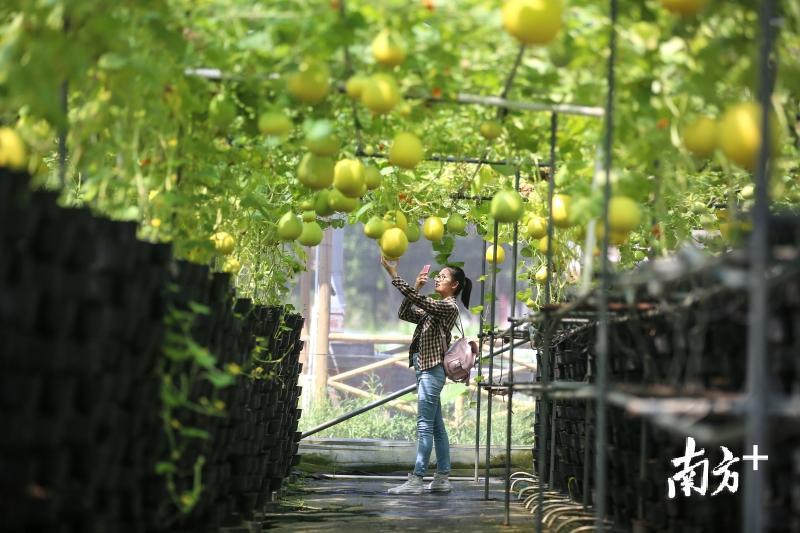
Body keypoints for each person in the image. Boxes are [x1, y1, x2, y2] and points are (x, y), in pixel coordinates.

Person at [380, 256, 473, 495]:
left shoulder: (447, 307)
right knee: (436, 427)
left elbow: (418, 300)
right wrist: (417, 286)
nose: (437, 279)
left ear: (455, 285)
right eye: (437, 275)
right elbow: (405, 312)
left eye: (442, 276)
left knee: (424, 425)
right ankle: (442, 477)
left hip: (432, 372)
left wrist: (393, 274)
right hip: (425, 370)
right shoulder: (434, 309)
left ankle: (417, 479)